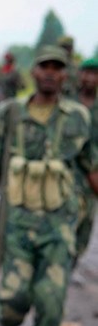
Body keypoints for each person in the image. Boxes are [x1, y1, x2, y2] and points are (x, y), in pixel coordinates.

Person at [0, 45, 97, 326]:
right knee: (15, 296)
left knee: (51, 301)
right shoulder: (10, 113)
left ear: (66, 75)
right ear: (33, 72)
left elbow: (90, 167)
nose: (50, 72)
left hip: (59, 227)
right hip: (16, 223)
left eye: (57, 67)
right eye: (44, 66)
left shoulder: (78, 118)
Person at [73, 57, 98, 270]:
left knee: (83, 231)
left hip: (91, 182)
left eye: (95, 74)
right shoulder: (66, 102)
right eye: (87, 73)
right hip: (65, 177)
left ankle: (71, 266)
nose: (90, 78)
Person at [0, 51, 26, 117]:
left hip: (10, 101)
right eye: (7, 60)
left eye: (9, 61)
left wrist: (16, 84)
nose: (7, 62)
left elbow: (23, 86)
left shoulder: (15, 73)